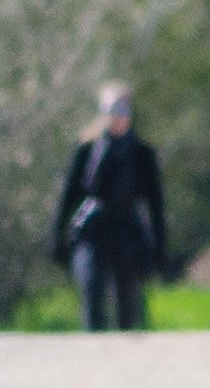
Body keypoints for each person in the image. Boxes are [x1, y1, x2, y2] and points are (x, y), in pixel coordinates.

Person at [50, 84, 167, 332]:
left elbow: (155, 203)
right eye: (111, 109)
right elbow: (69, 196)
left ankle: (124, 359)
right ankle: (94, 354)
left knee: (127, 301)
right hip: (92, 230)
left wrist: (160, 245)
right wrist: (57, 235)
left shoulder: (141, 153)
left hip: (127, 231)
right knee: (91, 289)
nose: (117, 115)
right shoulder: (87, 150)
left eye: (122, 108)